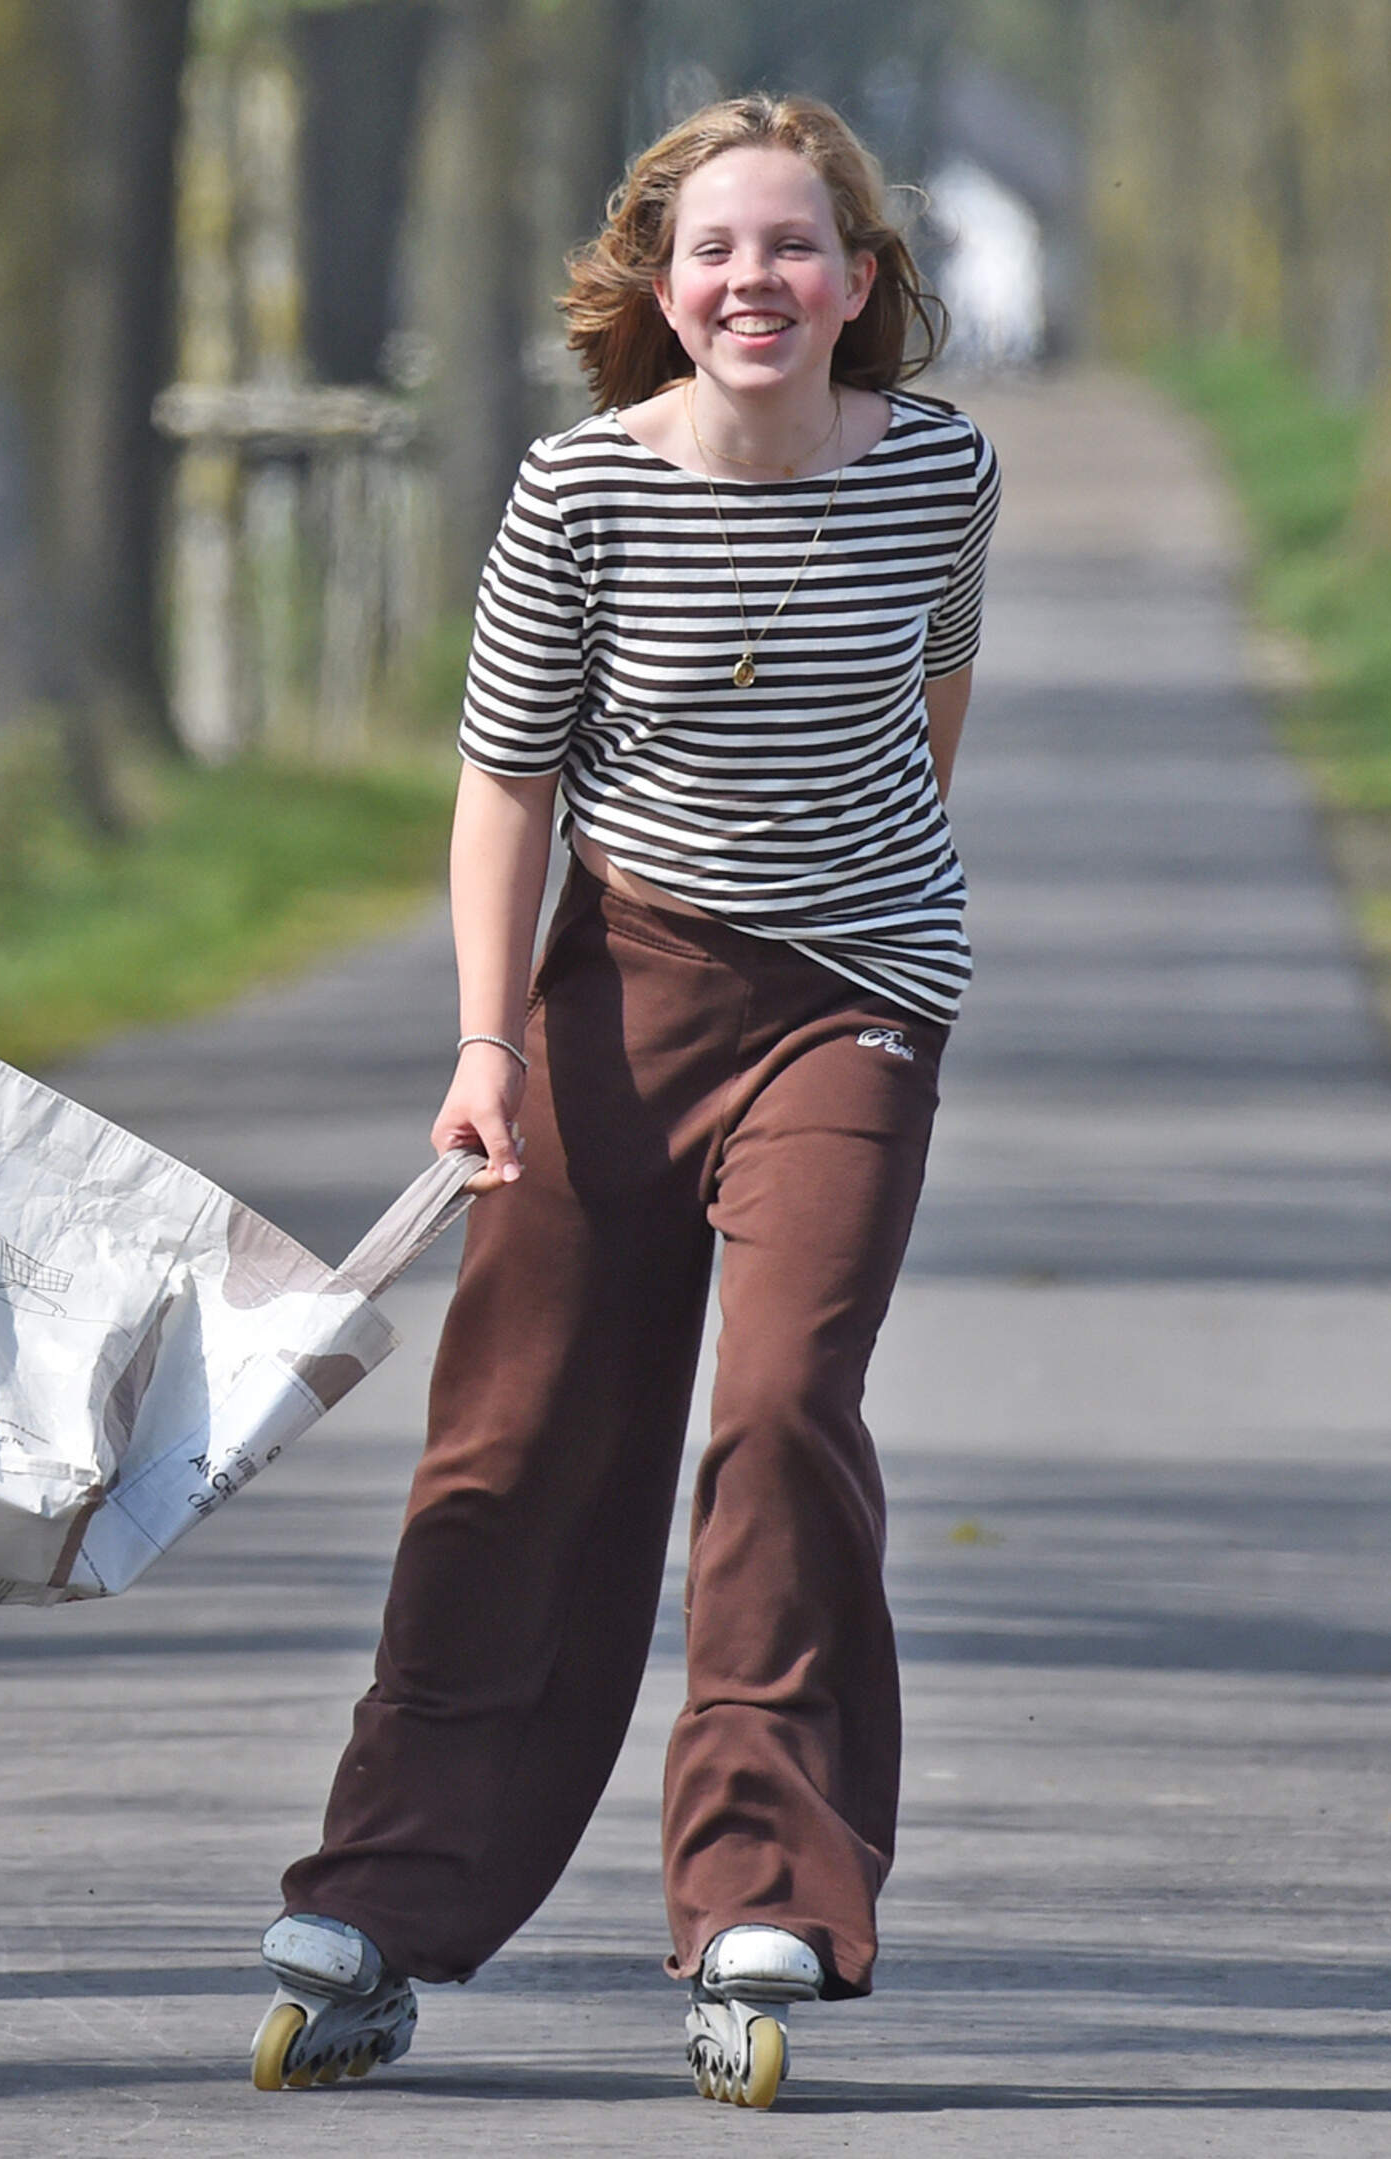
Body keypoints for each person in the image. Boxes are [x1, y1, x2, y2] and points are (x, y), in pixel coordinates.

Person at [248, 94, 999, 2111]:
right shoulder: (580, 490)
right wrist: (491, 1043)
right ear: (659, 291)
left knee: (780, 1403)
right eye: (717, 253)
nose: (757, 282)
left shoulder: (939, 470)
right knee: (517, 1439)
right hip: (613, 990)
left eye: (798, 247)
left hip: (850, 996)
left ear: (862, 279)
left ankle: (764, 1887)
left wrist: (869, 908)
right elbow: (507, 784)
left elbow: (930, 706)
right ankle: (387, 1894)